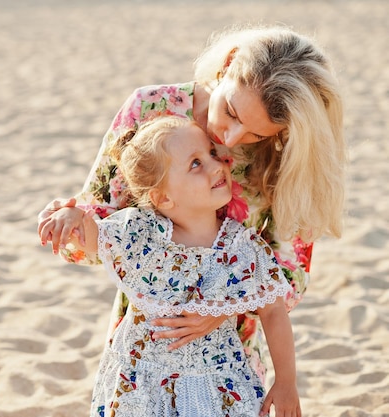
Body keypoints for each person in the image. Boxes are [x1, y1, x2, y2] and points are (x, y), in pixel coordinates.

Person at [37, 23, 345, 381]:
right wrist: (70, 221)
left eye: (256, 133)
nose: (229, 138)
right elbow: (102, 225)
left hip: (232, 350)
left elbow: (288, 277)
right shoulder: (150, 108)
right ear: (229, 63)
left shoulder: (286, 153)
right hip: (150, 338)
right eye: (231, 111)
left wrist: (220, 308)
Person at [39, 116, 300, 417]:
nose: (217, 166)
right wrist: (72, 216)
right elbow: (92, 236)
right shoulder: (141, 232)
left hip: (215, 382)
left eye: (212, 154)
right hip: (143, 382)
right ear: (162, 197)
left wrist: (286, 381)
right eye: (195, 164)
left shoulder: (242, 247)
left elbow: (273, 310)